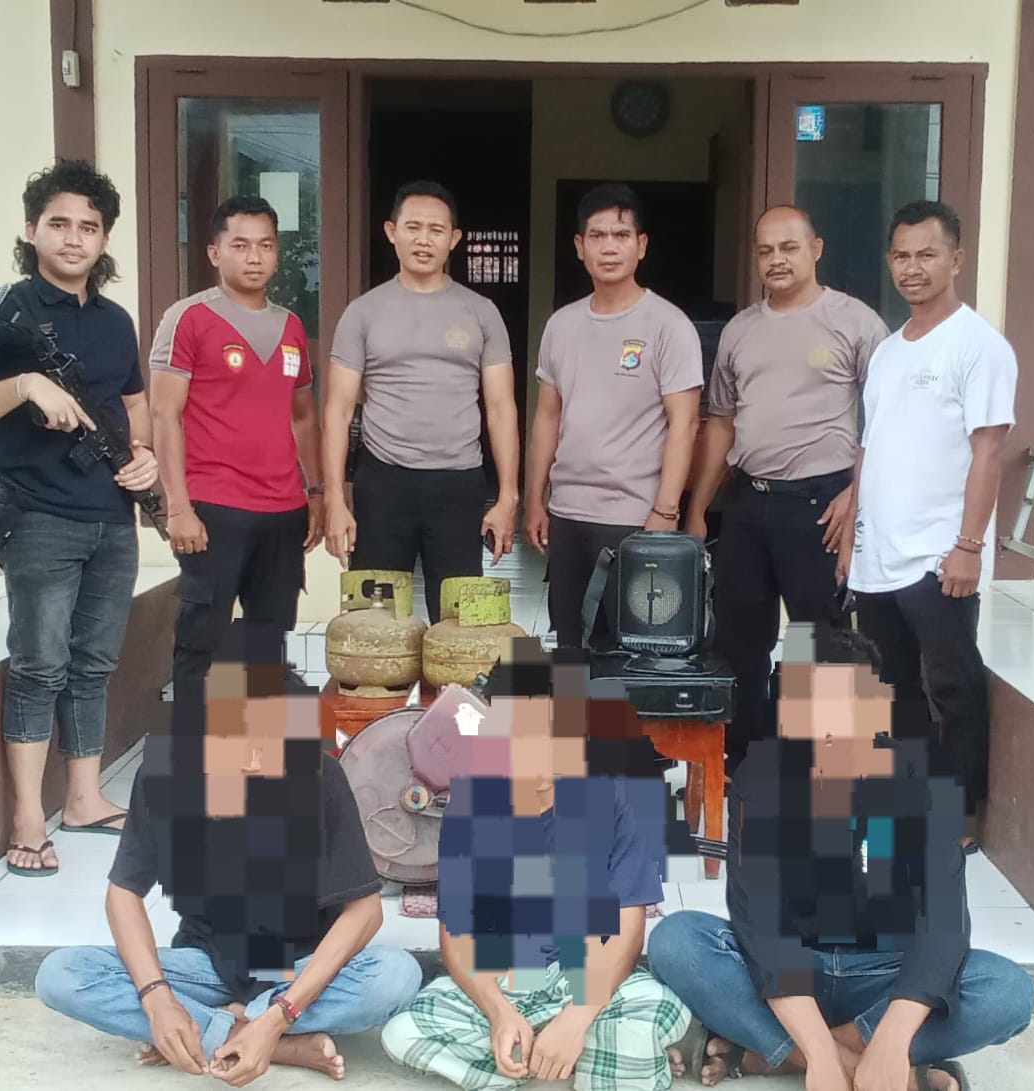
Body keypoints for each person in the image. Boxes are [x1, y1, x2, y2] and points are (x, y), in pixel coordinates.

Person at [646, 624, 1034, 1091]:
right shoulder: (761, 779)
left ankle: (777, 1053)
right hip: (791, 974)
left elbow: (944, 919)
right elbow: (763, 928)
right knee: (677, 942)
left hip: (885, 974)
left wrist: (891, 1039)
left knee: (1006, 990)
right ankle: (860, 1067)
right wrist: (822, 1055)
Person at [35, 619, 423, 1085]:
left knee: (395, 975)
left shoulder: (319, 777)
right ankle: (264, 1042)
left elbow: (365, 913)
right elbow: (123, 894)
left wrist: (280, 1012)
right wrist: (158, 1001)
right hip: (207, 965)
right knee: (62, 974)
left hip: (298, 969)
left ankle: (228, 1030)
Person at [0, 160, 159, 876]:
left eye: (88, 227)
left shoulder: (115, 321)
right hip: (37, 513)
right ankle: (29, 817)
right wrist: (26, 383)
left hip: (111, 516)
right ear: (31, 229)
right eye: (58, 223)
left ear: (105, 239)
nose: (73, 238)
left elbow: (132, 407)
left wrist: (146, 456)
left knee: (93, 663)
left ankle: (85, 797)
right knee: (40, 665)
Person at [381, 639, 692, 1091]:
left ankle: (561, 1049)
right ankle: (571, 1057)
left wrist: (578, 1016)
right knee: (403, 1033)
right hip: (504, 979)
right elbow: (456, 938)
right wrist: (498, 1013)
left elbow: (629, 925)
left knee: (658, 1008)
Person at [838, 200, 1018, 851]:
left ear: (956, 259)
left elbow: (988, 453)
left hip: (939, 557)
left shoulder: (979, 347)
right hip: (879, 557)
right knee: (894, 692)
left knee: (953, 686)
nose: (912, 268)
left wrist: (968, 547)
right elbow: (871, 450)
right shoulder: (888, 352)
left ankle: (958, 817)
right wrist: (852, 535)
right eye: (902, 256)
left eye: (927, 254)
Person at [684, 205, 889, 772]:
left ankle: (823, 772)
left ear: (816, 249)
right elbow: (721, 423)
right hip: (748, 504)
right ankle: (741, 768)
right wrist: (698, 508)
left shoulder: (855, 322)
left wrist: (858, 494)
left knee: (819, 645)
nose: (777, 259)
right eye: (766, 250)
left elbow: (888, 420)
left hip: (822, 506)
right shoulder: (740, 330)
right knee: (738, 644)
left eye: (789, 247)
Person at [321, 180, 521, 623]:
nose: (424, 239)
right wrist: (334, 499)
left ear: (454, 239)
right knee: (372, 625)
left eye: (436, 230)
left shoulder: (481, 311)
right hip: (382, 484)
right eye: (413, 227)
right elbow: (337, 410)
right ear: (391, 231)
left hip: (459, 485)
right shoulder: (362, 312)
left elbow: (501, 408)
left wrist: (508, 497)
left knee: (461, 629)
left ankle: (456, 676)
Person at [148, 194, 325, 684]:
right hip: (214, 508)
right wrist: (178, 507)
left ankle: (255, 736)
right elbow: (164, 414)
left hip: (283, 511)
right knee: (201, 640)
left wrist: (316, 493)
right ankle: (194, 737)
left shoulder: (291, 326)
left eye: (265, 245)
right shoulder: (188, 318)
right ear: (214, 252)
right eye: (241, 245)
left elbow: (303, 417)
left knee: (268, 645)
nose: (254, 257)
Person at [524, 184, 703, 649]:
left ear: (641, 246)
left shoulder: (669, 326)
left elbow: (684, 424)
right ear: (579, 246)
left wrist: (665, 511)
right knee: (570, 643)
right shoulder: (561, 325)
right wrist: (534, 499)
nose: (609, 246)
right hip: (567, 514)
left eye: (621, 235)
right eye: (597, 235)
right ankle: (570, 703)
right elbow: (547, 418)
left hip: (635, 519)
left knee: (631, 650)